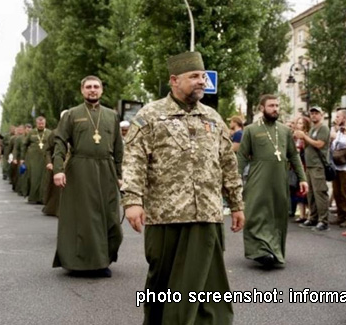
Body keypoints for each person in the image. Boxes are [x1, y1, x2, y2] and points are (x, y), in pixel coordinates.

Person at [122, 52, 245, 324]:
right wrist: (132, 201)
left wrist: (236, 204)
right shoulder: (150, 115)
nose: (201, 81)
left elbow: (228, 162)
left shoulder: (213, 118)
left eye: (202, 76)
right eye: (194, 77)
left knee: (209, 286)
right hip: (166, 216)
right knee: (162, 283)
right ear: (174, 80)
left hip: (207, 214)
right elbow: (134, 159)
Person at [52, 75, 123, 277]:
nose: (92, 90)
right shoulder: (72, 115)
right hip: (80, 168)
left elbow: (118, 148)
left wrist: (119, 174)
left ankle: (105, 256)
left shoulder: (111, 115)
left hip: (106, 168)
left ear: (101, 90)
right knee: (85, 218)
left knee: (109, 216)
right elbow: (59, 142)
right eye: (89, 87)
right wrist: (58, 169)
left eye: (96, 87)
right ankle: (89, 263)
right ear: (82, 91)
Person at [237, 95, 307, 267]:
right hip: (258, 180)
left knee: (277, 215)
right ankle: (259, 251)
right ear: (262, 108)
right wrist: (234, 181)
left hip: (279, 180)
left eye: (277, 105)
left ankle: (274, 250)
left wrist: (302, 178)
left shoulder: (284, 130)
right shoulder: (251, 130)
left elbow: (294, 156)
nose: (275, 108)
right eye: (271, 105)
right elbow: (242, 157)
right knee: (256, 214)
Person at [294, 106, 331, 231]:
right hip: (309, 165)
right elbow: (307, 145)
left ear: (322, 115)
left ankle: (323, 220)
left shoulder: (323, 128)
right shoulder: (312, 129)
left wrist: (304, 137)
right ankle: (313, 217)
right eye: (312, 113)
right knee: (311, 194)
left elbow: (319, 144)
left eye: (316, 113)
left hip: (318, 165)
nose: (314, 115)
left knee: (320, 193)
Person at [331, 109, 346, 234]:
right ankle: (341, 215)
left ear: (345, 118)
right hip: (337, 166)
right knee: (337, 193)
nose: (336, 118)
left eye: (338, 116)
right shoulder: (339, 131)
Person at [42, 111, 68, 216]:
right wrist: (49, 162)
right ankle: (57, 210)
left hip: (74, 163)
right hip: (59, 163)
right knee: (58, 190)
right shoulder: (55, 133)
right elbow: (47, 150)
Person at [21, 116, 51, 204]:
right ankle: (33, 197)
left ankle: (43, 198)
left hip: (45, 159)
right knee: (34, 177)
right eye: (39, 123)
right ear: (36, 123)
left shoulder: (49, 133)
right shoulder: (32, 133)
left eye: (42, 123)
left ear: (45, 123)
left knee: (44, 178)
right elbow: (24, 144)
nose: (41, 125)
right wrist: (23, 158)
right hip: (33, 159)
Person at [290, 115, 310, 223]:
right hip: (295, 166)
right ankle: (302, 214)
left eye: (301, 123)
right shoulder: (294, 137)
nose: (299, 125)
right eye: (298, 123)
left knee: (305, 191)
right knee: (298, 191)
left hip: (305, 164)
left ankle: (309, 214)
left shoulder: (307, 136)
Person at [10, 125, 25, 190]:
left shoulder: (26, 137)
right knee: (16, 173)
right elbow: (13, 149)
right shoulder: (14, 138)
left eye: (21, 129)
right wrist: (13, 157)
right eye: (19, 130)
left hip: (24, 157)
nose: (20, 131)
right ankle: (15, 185)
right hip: (17, 157)